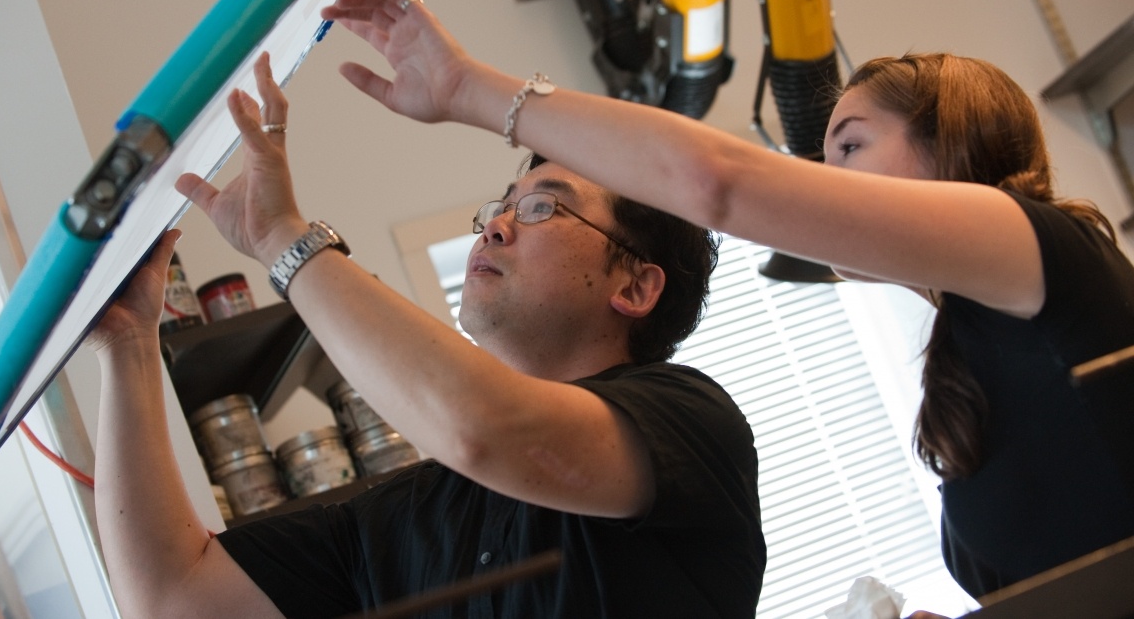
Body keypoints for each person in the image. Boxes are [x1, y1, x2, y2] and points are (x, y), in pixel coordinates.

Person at [324, 0, 1134, 603]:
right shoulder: (964, 385)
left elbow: (715, 181)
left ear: (953, 140)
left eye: (849, 144)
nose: (825, 178)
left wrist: (470, 90)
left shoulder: (1039, 249)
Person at [89, 51, 766, 617]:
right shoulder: (400, 517)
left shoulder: (693, 422)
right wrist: (129, 343)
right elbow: (172, 598)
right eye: (499, 208)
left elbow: (486, 425)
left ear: (635, 287)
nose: (496, 225)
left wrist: (281, 239)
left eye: (541, 207)